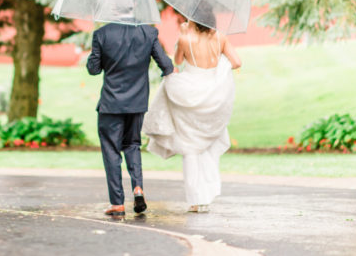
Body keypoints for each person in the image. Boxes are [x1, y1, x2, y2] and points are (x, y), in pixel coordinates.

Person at [143, 15, 241, 213]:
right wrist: (218, 73)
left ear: (194, 20)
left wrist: (182, 35)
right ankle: (208, 195)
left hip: (189, 93)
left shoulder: (185, 39)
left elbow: (177, 62)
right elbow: (236, 62)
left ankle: (196, 200)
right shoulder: (221, 38)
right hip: (212, 95)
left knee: (190, 147)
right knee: (207, 146)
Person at [87, 22, 174, 217]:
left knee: (111, 151)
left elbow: (93, 69)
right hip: (137, 103)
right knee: (132, 145)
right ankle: (138, 188)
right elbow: (167, 66)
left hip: (111, 104)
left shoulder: (102, 34)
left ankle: (117, 203)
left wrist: (96, 52)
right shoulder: (148, 32)